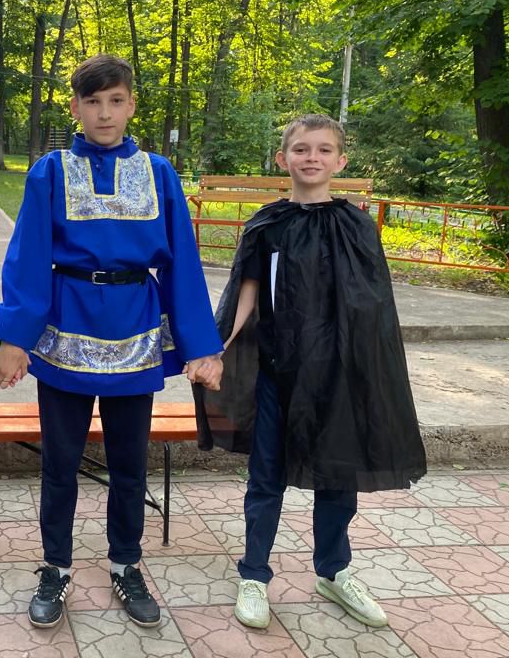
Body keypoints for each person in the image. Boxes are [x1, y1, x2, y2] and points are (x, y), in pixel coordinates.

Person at [0, 54, 224, 629]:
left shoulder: (159, 173)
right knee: (60, 463)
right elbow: (27, 257)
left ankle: (126, 563)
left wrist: (201, 344)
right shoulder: (49, 171)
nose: (104, 113)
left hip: (135, 328)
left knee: (128, 463)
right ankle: (56, 566)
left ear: (131, 105)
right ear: (75, 107)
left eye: (115, 100)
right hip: (65, 326)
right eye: (92, 102)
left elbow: (182, 262)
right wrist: (14, 337)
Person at [193, 113, 426, 631]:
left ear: (340, 161)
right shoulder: (267, 224)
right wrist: (215, 349)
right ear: (284, 159)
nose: (312, 158)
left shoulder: (358, 226)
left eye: (323, 150)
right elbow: (246, 292)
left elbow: (373, 307)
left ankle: (334, 571)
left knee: (338, 475)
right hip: (278, 372)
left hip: (339, 376)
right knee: (266, 477)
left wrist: (370, 373)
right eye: (301, 149)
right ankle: (254, 575)